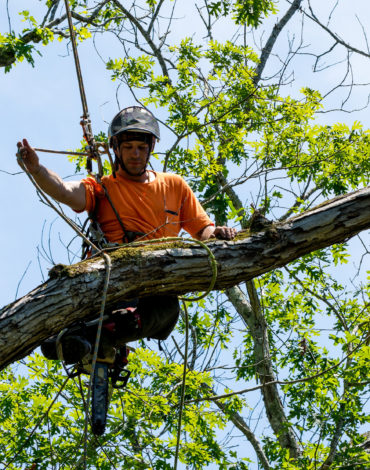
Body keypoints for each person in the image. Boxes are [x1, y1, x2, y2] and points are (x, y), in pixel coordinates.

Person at [17, 106, 237, 364]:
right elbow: (65, 190)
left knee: (167, 310)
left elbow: (202, 230)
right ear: (116, 149)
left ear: (151, 148)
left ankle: (88, 339)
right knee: (135, 307)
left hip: (156, 279)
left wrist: (217, 232)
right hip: (110, 273)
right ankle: (82, 337)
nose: (135, 154)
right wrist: (37, 170)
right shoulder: (103, 186)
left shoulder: (173, 185)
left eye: (141, 148)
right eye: (129, 146)